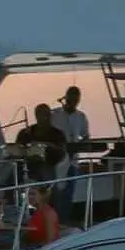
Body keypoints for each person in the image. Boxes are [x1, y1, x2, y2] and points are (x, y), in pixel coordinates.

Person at [49, 86, 90, 224]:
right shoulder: (54, 114)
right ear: (66, 97)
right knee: (55, 192)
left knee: (68, 193)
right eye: (71, 98)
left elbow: (86, 136)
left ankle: (63, 221)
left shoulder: (81, 117)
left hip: (72, 160)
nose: (73, 101)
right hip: (56, 161)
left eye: (76, 99)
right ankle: (53, 220)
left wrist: (79, 145)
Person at [15, 104, 68, 182]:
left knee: (43, 172)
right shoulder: (25, 133)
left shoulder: (58, 134)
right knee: (13, 170)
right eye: (43, 115)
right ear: (36, 116)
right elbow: (17, 149)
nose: (47, 117)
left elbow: (62, 152)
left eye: (48, 114)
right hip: (26, 165)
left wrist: (46, 145)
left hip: (48, 165)